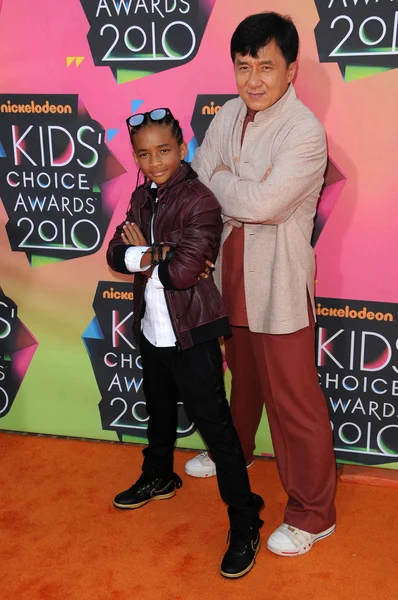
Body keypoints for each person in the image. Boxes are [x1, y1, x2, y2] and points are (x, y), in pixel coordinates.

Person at [186, 12, 337, 557]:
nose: (253, 80)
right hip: (229, 273)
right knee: (242, 377)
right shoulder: (228, 113)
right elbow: (198, 178)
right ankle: (237, 451)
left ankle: (313, 513)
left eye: (266, 67)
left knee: (294, 402)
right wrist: (229, 182)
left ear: (292, 70)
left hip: (278, 282)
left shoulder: (305, 132)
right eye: (243, 66)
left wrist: (226, 178)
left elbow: (263, 204)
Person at [106, 108, 264, 578]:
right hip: (152, 328)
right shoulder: (140, 196)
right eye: (143, 154)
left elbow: (179, 275)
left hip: (192, 332)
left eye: (164, 151)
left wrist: (148, 253)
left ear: (182, 148)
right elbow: (116, 253)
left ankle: (244, 521)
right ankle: (159, 475)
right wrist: (159, 251)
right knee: (157, 411)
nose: (154, 162)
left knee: (217, 430)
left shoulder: (201, 201)